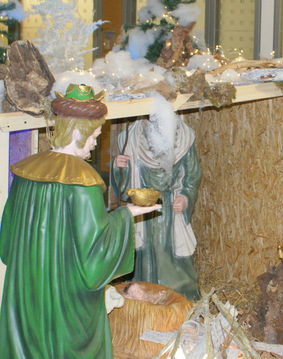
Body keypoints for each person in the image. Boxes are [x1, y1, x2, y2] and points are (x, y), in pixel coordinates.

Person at [0, 84, 160, 358]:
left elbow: (7, 242)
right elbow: (93, 258)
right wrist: (126, 215)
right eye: (94, 136)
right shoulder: (84, 181)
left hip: (27, 293)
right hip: (65, 300)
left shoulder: (25, 172)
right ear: (76, 133)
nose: (95, 144)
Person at [112, 99, 202, 301]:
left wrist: (185, 198)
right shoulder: (130, 137)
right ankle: (143, 296)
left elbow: (192, 175)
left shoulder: (183, 139)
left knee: (172, 253)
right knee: (143, 252)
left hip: (169, 210)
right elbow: (122, 186)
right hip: (142, 211)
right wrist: (120, 167)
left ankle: (179, 297)